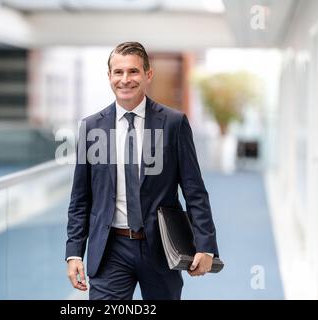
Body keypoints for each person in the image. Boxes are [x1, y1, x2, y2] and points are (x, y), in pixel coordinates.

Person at [65, 41, 219, 300]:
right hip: (109, 248)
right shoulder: (91, 127)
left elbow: (194, 190)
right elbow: (80, 198)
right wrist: (74, 252)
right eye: (118, 72)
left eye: (133, 71)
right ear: (109, 77)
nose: (125, 79)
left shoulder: (173, 123)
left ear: (148, 75)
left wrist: (205, 245)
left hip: (160, 248)